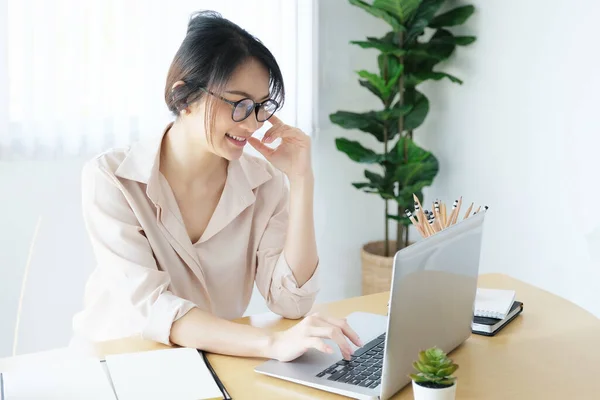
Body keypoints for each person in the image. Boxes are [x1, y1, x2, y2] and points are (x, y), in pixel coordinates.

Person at [71, 11, 362, 362]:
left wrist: (300, 179)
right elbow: (153, 308)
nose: (253, 123)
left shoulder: (265, 182)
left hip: (211, 359)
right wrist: (270, 344)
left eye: (260, 107)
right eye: (238, 104)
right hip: (119, 360)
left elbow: (291, 301)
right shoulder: (112, 178)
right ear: (184, 97)